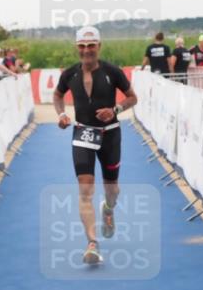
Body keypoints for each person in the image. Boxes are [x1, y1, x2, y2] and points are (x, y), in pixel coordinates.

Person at [52, 25, 138, 266]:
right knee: (85, 189)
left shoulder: (113, 71)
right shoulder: (69, 74)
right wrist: (61, 115)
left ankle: (108, 209)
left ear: (99, 46)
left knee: (112, 190)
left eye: (91, 46)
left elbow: (133, 97)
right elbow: (58, 96)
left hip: (110, 134)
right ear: (77, 48)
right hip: (83, 134)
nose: (86, 50)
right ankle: (92, 243)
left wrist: (116, 110)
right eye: (82, 46)